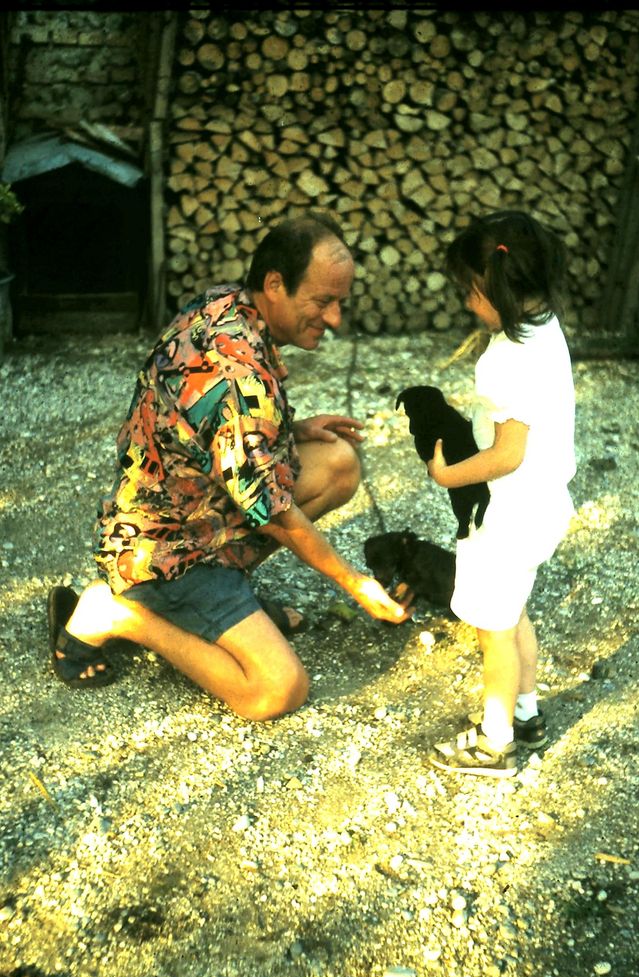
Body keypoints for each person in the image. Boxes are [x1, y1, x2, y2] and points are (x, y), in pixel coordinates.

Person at [47, 212, 411, 719]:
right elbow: (275, 512)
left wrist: (291, 427)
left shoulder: (225, 304)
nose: (334, 320)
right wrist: (353, 581)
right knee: (277, 691)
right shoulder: (240, 378)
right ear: (275, 283)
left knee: (337, 464)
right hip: (167, 550)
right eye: (323, 301)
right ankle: (121, 614)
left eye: (339, 303)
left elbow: (210, 421)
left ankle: (222, 605)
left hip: (185, 508)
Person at [424, 209, 576, 777]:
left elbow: (507, 454)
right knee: (513, 614)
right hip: (545, 503)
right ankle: (528, 714)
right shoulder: (546, 330)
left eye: (471, 292)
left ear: (497, 290)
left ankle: (495, 739)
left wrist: (447, 475)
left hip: (511, 511)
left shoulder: (503, 361)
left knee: (494, 630)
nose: (466, 303)